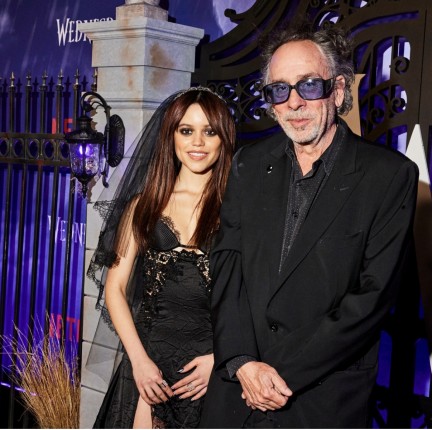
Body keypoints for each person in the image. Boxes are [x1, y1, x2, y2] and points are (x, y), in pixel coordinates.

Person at [200, 22, 419, 429]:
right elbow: (227, 266)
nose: (294, 102)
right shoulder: (249, 164)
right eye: (280, 90)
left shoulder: (389, 176)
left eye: (309, 86)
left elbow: (371, 299)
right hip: (236, 393)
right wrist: (242, 360)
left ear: (337, 89)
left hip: (320, 398)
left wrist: (277, 373)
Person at [88, 87, 236, 428]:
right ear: (171, 136)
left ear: (223, 139)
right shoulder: (144, 205)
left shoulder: (239, 208)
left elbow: (253, 298)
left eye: (209, 132)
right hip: (149, 366)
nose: (197, 142)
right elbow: (115, 289)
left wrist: (221, 358)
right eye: (186, 130)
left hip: (208, 371)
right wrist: (139, 362)